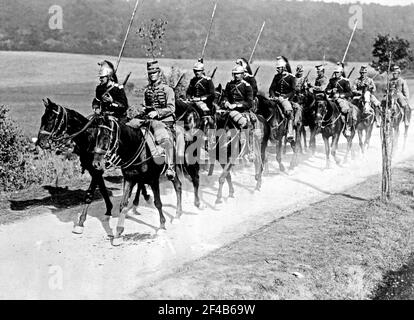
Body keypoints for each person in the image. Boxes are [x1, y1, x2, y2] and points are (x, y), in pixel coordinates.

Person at [131, 60, 176, 180]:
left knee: (163, 136)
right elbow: (145, 106)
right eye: (150, 73)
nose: (152, 75)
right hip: (150, 119)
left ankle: (170, 166)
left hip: (165, 120)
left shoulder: (168, 90)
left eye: (154, 72)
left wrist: (157, 112)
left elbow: (171, 108)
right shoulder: (147, 91)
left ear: (159, 73)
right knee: (130, 125)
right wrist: (142, 113)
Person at [222, 65, 255, 160]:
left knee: (246, 124)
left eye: (238, 74)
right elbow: (225, 96)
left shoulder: (247, 86)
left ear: (243, 74)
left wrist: (236, 105)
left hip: (243, 111)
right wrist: (226, 102)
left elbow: (249, 103)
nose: (236, 76)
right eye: (235, 74)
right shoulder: (229, 84)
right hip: (229, 111)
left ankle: (250, 150)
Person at [268, 56, 296, 140]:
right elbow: (271, 89)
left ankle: (289, 132)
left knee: (289, 111)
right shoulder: (276, 77)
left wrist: (286, 97)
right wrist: (273, 96)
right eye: (277, 68)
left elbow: (293, 90)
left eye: (279, 68)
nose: (277, 70)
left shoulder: (291, 77)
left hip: (286, 99)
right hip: (276, 97)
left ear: (284, 68)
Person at [325, 64, 355, 136]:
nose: (336, 74)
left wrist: (341, 95)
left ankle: (347, 127)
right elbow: (327, 90)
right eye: (335, 72)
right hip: (331, 99)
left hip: (341, 99)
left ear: (341, 73)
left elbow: (350, 93)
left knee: (346, 109)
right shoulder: (331, 80)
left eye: (337, 72)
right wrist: (331, 90)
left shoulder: (345, 81)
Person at [186, 60, 216, 127]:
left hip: (205, 102)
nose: (197, 73)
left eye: (199, 71)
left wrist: (200, 99)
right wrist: (188, 98)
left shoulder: (207, 80)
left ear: (202, 71)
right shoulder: (193, 81)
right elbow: (188, 92)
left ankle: (207, 129)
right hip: (193, 102)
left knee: (205, 112)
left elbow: (212, 94)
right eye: (195, 71)